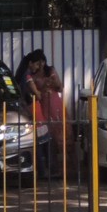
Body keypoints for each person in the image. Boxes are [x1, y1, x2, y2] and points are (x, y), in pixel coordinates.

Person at [16, 49, 65, 177]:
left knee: (39, 140)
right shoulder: (27, 76)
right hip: (34, 109)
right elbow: (37, 95)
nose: (38, 67)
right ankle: (48, 170)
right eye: (37, 64)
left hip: (30, 109)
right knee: (44, 140)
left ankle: (44, 170)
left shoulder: (22, 75)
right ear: (31, 63)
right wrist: (44, 88)